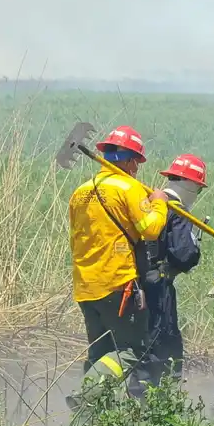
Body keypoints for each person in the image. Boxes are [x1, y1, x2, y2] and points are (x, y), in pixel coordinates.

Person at [67, 125, 168, 401]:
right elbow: (150, 229)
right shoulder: (128, 188)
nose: (137, 168)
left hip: (85, 286)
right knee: (130, 351)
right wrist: (159, 203)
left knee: (101, 352)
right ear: (128, 159)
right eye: (136, 161)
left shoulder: (80, 192)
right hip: (117, 284)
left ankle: (97, 419)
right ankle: (84, 396)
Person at [141, 153, 208, 385]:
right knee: (163, 343)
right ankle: (157, 405)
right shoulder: (178, 212)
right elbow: (184, 254)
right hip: (158, 287)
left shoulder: (148, 204)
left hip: (133, 282)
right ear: (192, 186)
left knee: (139, 343)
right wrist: (195, 246)